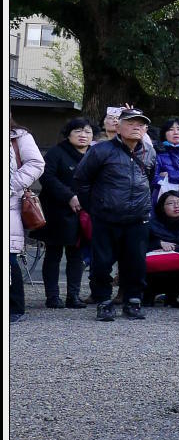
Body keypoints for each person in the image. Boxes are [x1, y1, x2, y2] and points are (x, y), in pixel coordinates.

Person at [73, 107, 156, 322]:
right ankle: (104, 301)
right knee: (101, 263)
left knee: (136, 263)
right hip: (106, 217)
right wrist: (94, 207)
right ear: (118, 126)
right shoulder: (101, 150)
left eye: (140, 124)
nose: (136, 127)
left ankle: (133, 301)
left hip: (139, 218)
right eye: (130, 123)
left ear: (146, 129)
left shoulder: (149, 152)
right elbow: (82, 180)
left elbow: (150, 179)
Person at [37, 117, 94, 309]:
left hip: (85, 212)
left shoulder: (95, 153)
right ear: (68, 134)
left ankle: (73, 295)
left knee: (76, 255)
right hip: (56, 211)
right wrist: (69, 196)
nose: (82, 135)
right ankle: (52, 296)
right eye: (77, 131)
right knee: (53, 253)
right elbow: (47, 177)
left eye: (87, 131)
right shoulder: (56, 152)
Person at [10, 118, 46, 324]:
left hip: (10, 201)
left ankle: (15, 306)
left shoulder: (19, 136)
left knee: (9, 258)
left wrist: (11, 183)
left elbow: (36, 163)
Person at [144, 191, 179, 308]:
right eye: (170, 203)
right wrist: (159, 244)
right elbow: (139, 246)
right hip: (153, 269)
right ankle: (147, 296)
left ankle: (173, 297)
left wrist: (175, 248)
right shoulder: (150, 225)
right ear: (161, 207)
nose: (176, 206)